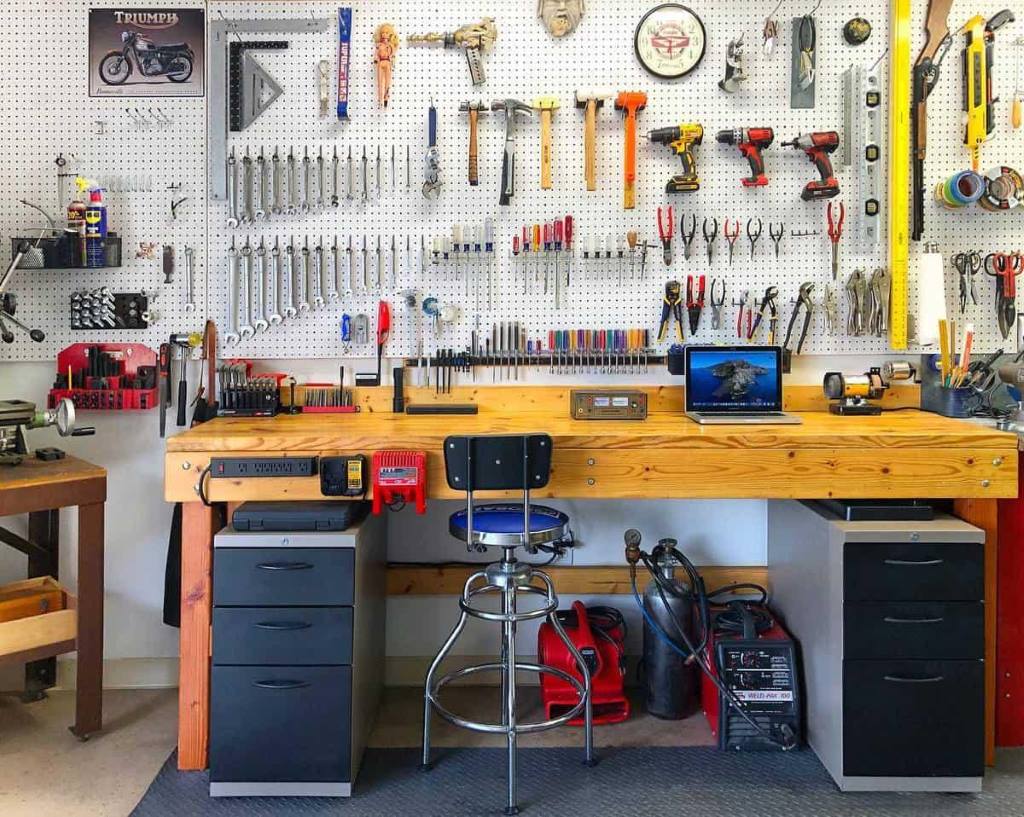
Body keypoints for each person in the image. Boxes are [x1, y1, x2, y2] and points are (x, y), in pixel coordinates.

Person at [374, 23, 398, 107]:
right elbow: (376, 54)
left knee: (387, 83)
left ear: (390, 34)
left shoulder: (391, 45)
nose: (384, 34)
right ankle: (380, 100)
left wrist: (393, 64)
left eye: (387, 33)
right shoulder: (379, 45)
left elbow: (393, 55)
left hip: (388, 63)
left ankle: (386, 99)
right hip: (380, 63)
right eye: (383, 33)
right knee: (380, 82)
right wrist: (376, 60)